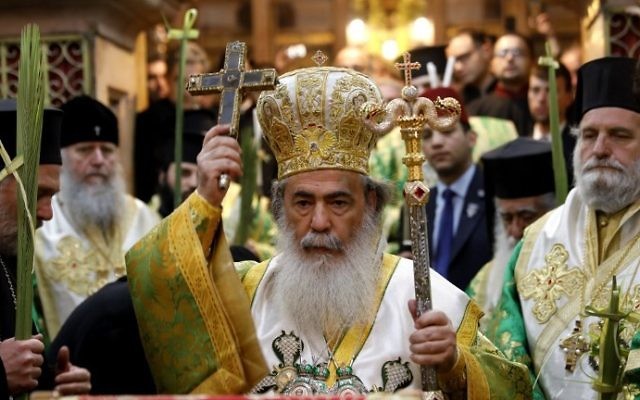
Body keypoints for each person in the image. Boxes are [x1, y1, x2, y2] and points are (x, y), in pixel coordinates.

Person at [125, 64, 531, 397]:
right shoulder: (247, 294)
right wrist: (204, 201)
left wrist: (455, 366)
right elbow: (158, 294)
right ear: (281, 206)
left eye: (338, 203)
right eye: (303, 203)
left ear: (370, 203)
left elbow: (513, 389)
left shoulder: (426, 295)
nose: (319, 223)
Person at [488, 57, 640, 398]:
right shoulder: (537, 238)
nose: (600, 149)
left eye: (619, 135)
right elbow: (504, 352)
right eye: (589, 135)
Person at [34, 95, 160, 338]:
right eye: (85, 150)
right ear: (60, 157)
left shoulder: (146, 217)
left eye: (107, 150)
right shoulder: (43, 228)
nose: (99, 160)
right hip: (70, 368)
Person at [0, 99, 91, 397]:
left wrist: (56, 380)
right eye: (38, 193)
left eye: (52, 196)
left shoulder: (9, 256)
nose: (47, 213)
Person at [466, 137, 556, 327]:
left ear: (552, 211)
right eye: (507, 218)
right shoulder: (483, 281)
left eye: (527, 216)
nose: (515, 231)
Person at [416, 86, 492, 290]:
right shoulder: (419, 204)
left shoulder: (494, 196)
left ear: (471, 138)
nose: (437, 143)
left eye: (447, 132)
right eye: (427, 136)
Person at [468, 32, 534, 137]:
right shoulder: (476, 110)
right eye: (502, 53)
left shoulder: (543, 105)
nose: (510, 58)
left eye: (517, 52)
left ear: (531, 61)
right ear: (492, 63)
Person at [527, 63, 576, 181]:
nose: (541, 99)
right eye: (535, 90)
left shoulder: (578, 147)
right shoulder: (518, 141)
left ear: (569, 97)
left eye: (551, 91)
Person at [446, 28, 496, 105]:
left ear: (486, 51)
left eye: (464, 57)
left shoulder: (510, 93)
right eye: (453, 61)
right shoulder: (456, 101)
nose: (457, 67)